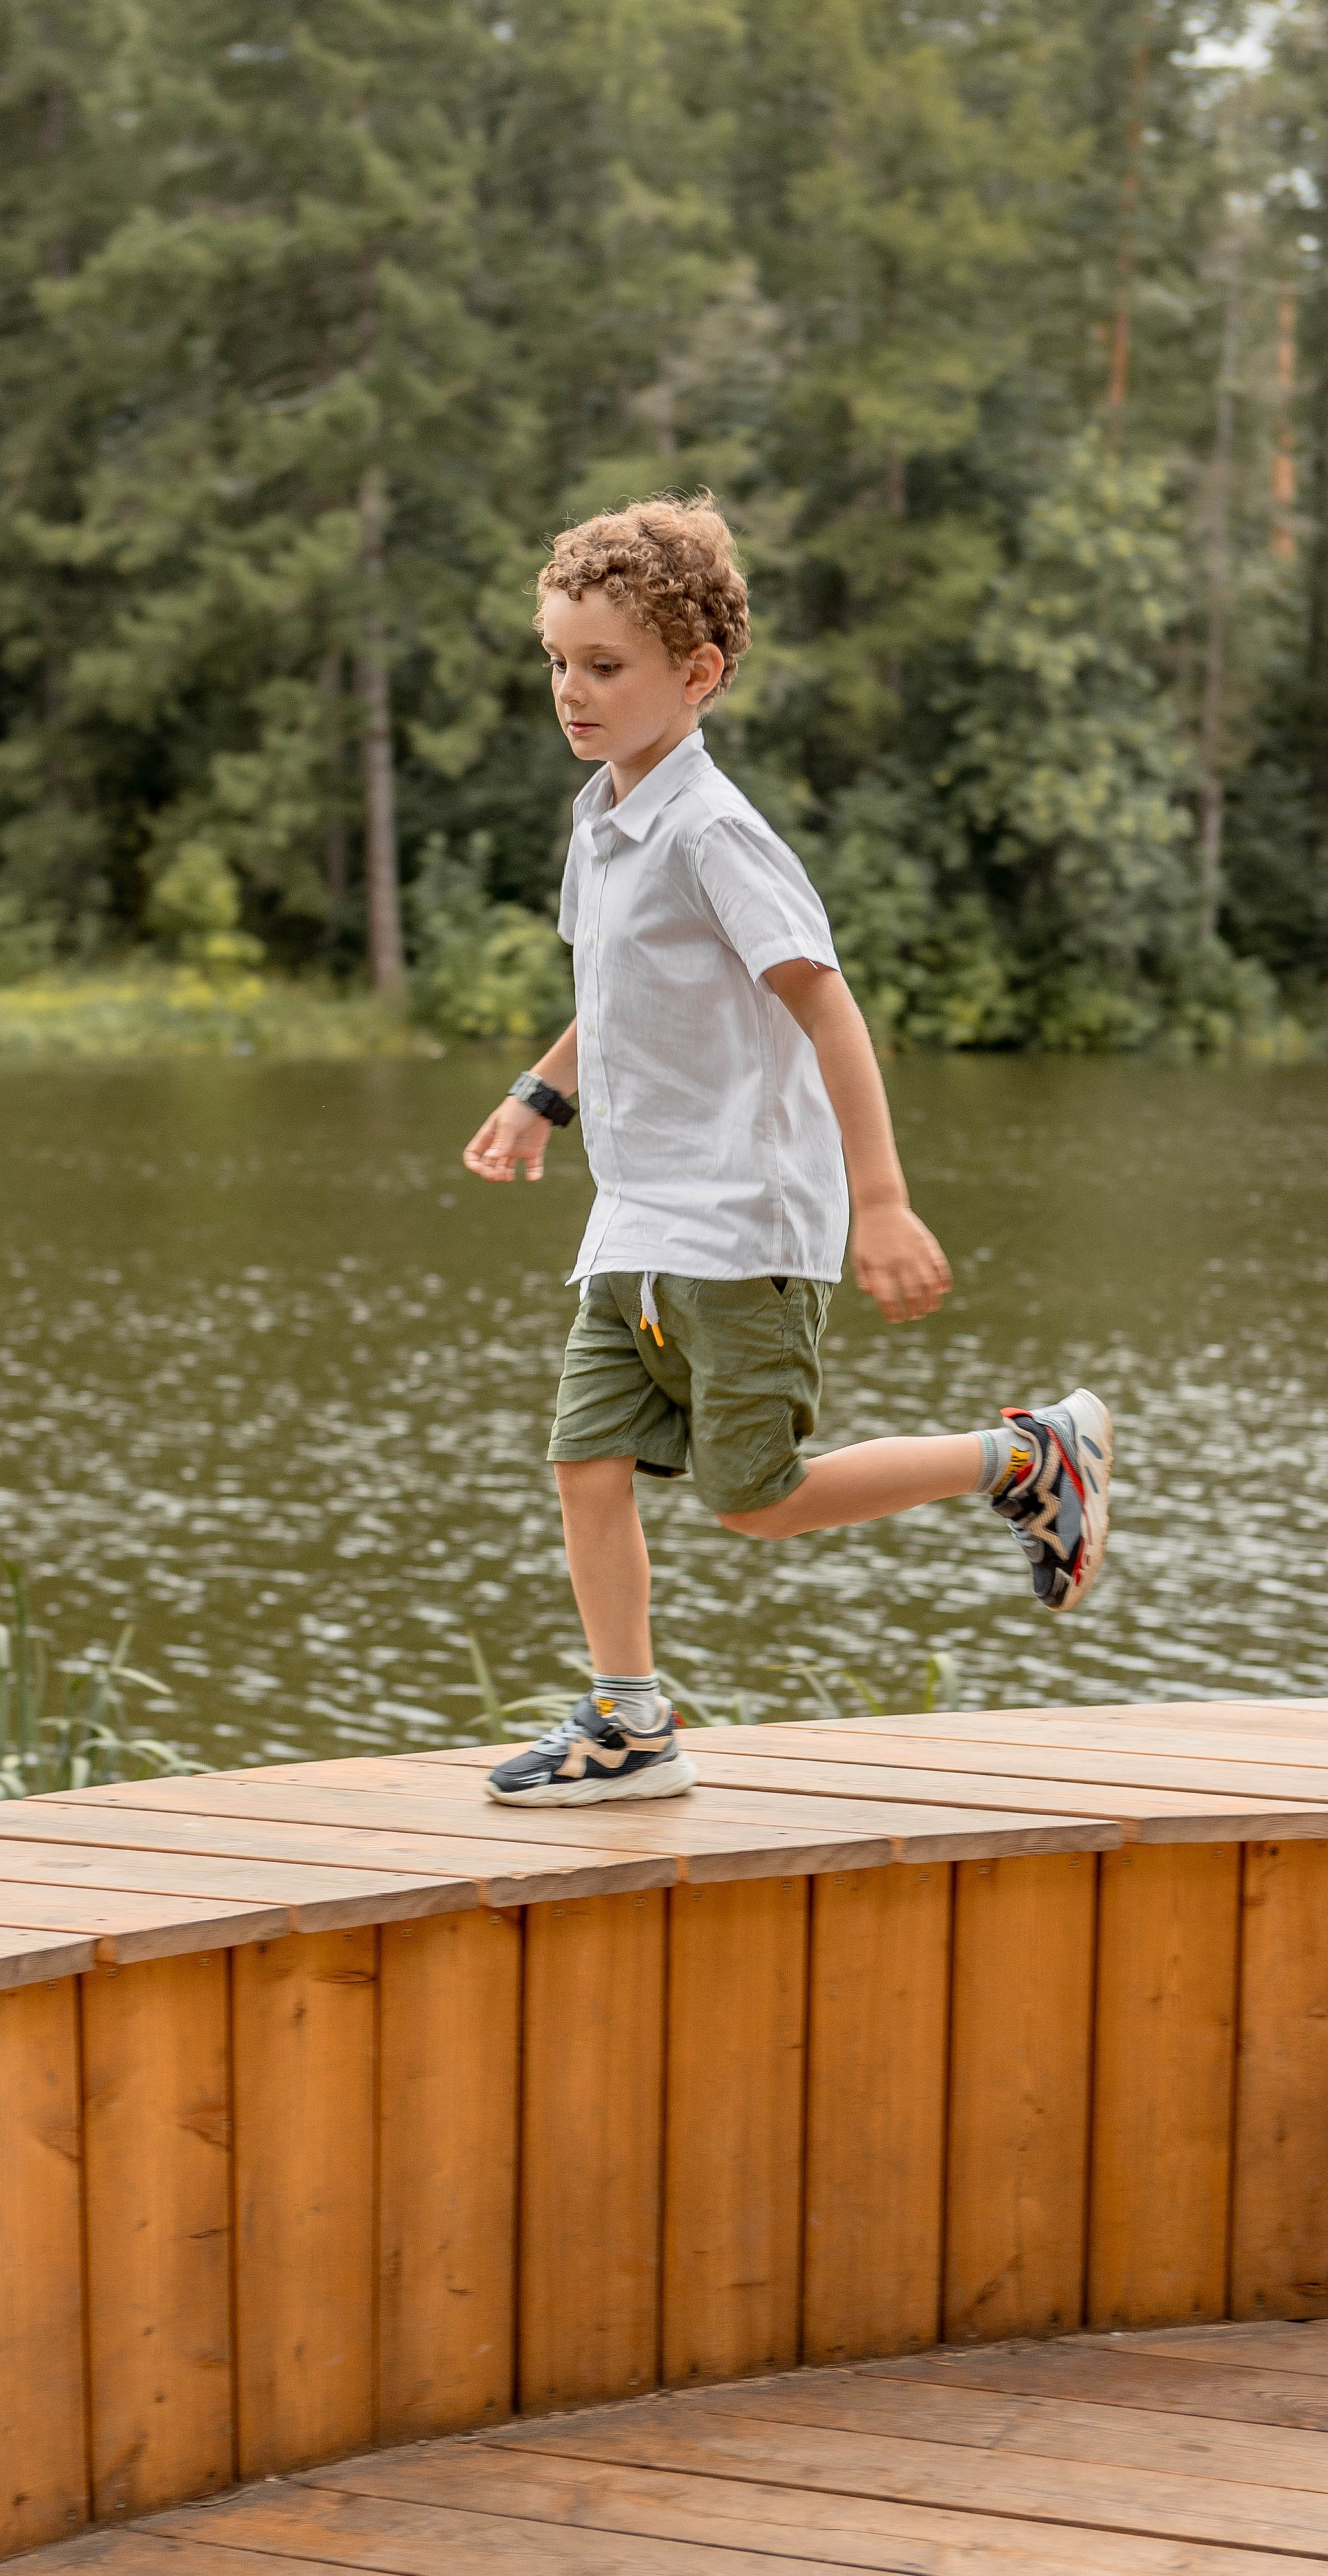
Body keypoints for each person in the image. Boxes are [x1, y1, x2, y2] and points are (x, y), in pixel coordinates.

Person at [462, 495, 1112, 1808]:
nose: (569, 692)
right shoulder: (603, 818)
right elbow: (622, 990)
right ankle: (628, 1723)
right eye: (555, 661)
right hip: (636, 1220)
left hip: (740, 1221)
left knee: (750, 1497)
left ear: (694, 675)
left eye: (603, 666)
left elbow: (822, 1000)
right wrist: (543, 1090)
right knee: (583, 1468)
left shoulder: (713, 830)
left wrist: (877, 1201)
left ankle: (1028, 1455)